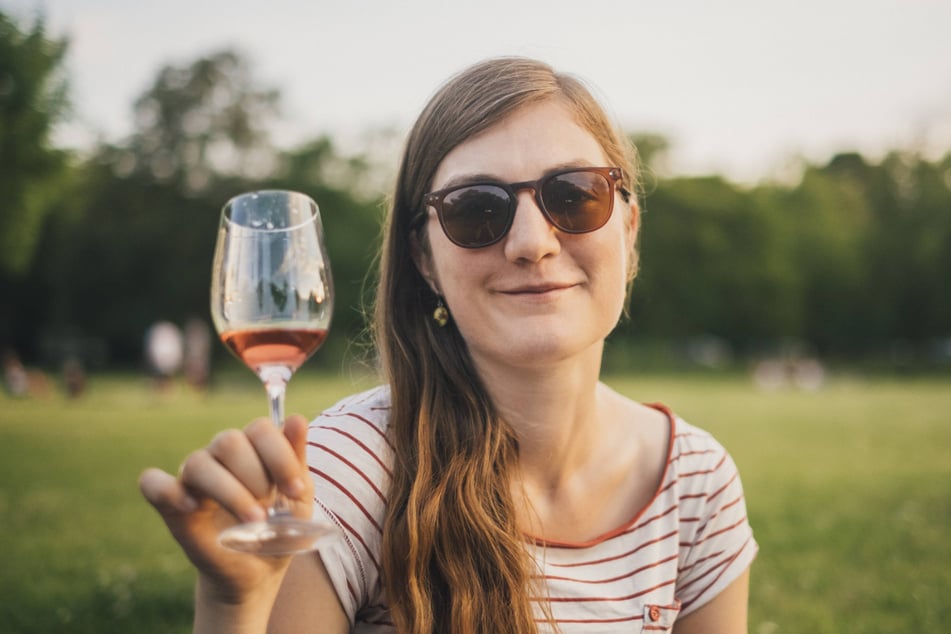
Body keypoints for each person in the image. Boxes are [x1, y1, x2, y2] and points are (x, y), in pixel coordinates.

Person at [140, 56, 757, 633]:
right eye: (475, 210)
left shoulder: (695, 483)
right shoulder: (342, 477)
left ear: (628, 227)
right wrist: (235, 604)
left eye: (574, 194)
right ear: (424, 260)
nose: (531, 242)